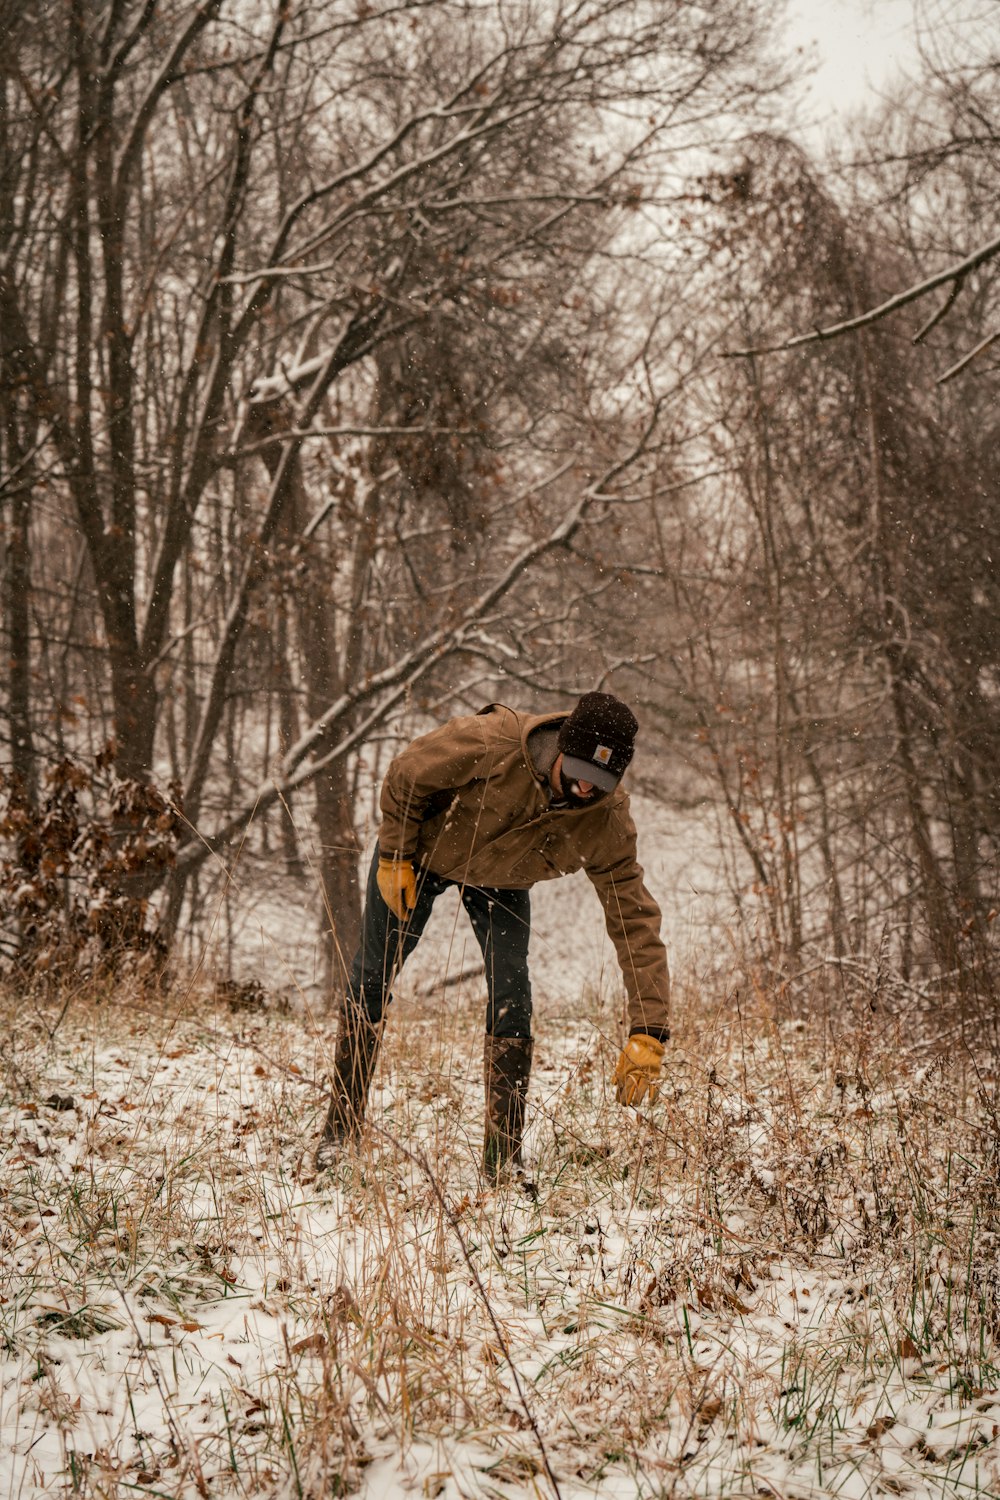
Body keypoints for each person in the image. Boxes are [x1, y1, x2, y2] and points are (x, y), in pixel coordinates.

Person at [316, 691, 670, 1179]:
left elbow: (633, 917)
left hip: (501, 882)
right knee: (371, 978)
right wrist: (395, 854)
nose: (587, 791)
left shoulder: (605, 819)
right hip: (419, 856)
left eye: (602, 782)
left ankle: (502, 1160)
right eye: (582, 774)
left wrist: (648, 1029)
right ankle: (339, 1131)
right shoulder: (491, 742)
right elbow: (407, 772)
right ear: (562, 748)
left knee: (513, 994)